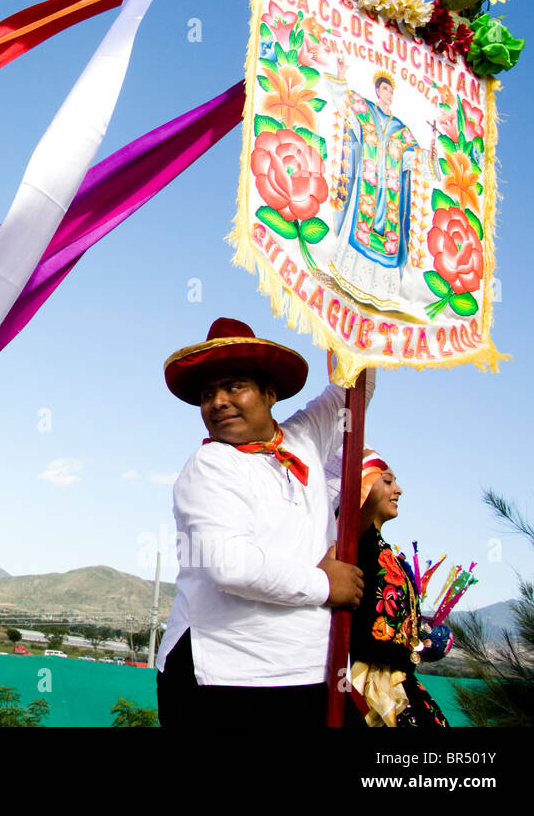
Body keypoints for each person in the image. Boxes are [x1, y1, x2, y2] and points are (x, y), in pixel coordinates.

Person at [155, 317, 368, 727]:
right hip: (226, 678)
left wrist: (359, 311)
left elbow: (354, 388)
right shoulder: (210, 464)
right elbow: (232, 566)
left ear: (270, 394)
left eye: (234, 386)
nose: (217, 402)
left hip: (309, 671)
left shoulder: (303, 438)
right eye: (207, 394)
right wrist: (327, 584)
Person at [347, 449, 449, 726]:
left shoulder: (387, 553)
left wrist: (420, 637)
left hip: (400, 680)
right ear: (364, 485)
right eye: (388, 481)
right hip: (371, 687)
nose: (399, 490)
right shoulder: (352, 545)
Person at [325, 60, 420, 311]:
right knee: (360, 227)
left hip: (390, 194)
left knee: (389, 239)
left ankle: (379, 290)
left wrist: (430, 157)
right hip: (366, 184)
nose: (388, 94)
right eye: (385, 89)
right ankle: (350, 277)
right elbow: (341, 101)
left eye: (391, 91)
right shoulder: (366, 110)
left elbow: (414, 161)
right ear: (377, 91)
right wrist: (342, 74)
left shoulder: (401, 128)